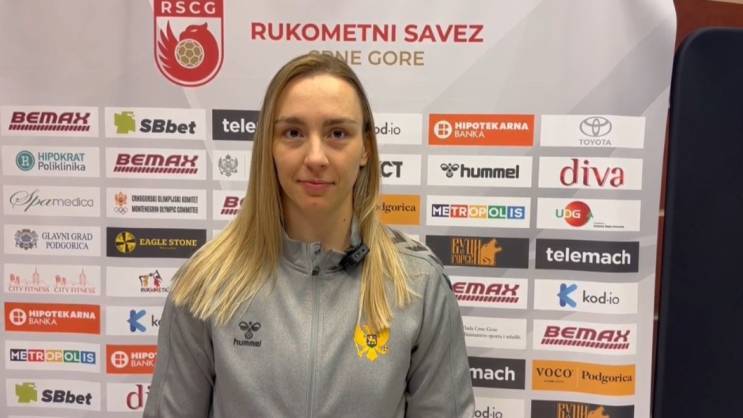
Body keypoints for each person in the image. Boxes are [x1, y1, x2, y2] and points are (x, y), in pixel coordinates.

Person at [143, 53, 474, 418]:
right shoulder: (206, 283)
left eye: (337, 133)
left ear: (365, 148)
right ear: (269, 146)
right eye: (293, 133)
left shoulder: (418, 283)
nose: (316, 157)